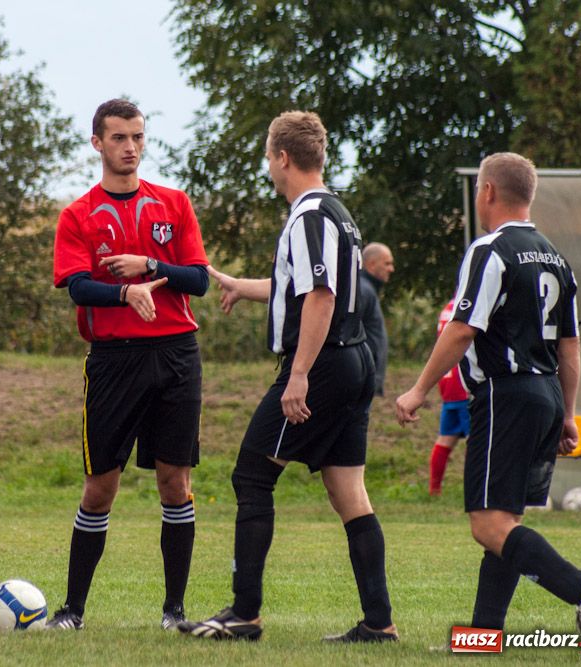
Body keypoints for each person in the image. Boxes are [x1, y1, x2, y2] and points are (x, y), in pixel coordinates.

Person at [180, 111, 396, 643]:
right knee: (349, 491)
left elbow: (320, 296)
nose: (268, 168)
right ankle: (379, 622)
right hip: (353, 359)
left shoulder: (309, 216)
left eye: (268, 158)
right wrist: (237, 285)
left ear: (282, 158)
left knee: (252, 476)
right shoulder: (336, 212)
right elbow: (298, 286)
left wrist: (298, 373)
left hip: (322, 363)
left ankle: (244, 613)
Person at [396, 152, 581, 657]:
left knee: (488, 524)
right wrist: (566, 413)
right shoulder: (557, 258)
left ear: (488, 191)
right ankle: (482, 638)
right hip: (545, 396)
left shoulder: (489, 250)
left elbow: (463, 328)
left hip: (505, 394)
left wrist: (418, 389)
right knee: (503, 524)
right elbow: (571, 347)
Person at [49, 98, 209, 631]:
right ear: (97, 142)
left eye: (137, 137)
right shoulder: (78, 214)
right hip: (114, 360)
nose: (130, 147)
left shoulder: (174, 204)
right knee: (101, 486)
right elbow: (78, 289)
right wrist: (125, 293)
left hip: (177, 354)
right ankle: (72, 610)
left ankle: (174, 612)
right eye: (118, 137)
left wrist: (151, 267)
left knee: (174, 480)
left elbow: (199, 281)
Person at [428, 299, 469, 496]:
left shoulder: (448, 307)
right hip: (465, 383)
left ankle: (434, 490)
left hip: (448, 380)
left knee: (445, 439)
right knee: (478, 441)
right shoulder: (470, 307)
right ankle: (475, 490)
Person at [360, 242, 393, 396]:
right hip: (360, 379)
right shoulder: (363, 290)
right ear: (371, 264)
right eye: (387, 263)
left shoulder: (368, 289)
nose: (391, 269)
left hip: (366, 378)